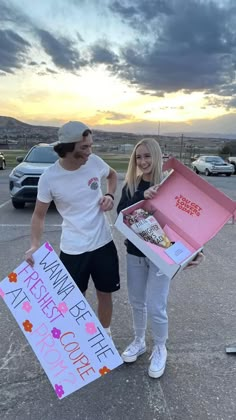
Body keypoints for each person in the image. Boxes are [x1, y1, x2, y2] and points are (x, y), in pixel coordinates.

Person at [117, 138, 204, 378]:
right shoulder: (131, 185)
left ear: (157, 157)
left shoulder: (170, 186)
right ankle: (139, 341)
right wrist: (142, 196)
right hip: (135, 254)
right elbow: (121, 214)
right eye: (138, 157)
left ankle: (159, 347)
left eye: (147, 156)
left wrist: (198, 250)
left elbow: (188, 223)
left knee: (156, 305)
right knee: (136, 301)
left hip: (161, 258)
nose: (143, 161)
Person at [25, 120, 120, 337]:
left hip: (103, 243)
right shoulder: (49, 177)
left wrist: (109, 195)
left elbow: (112, 175)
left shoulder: (94, 162)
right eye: (84, 147)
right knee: (73, 301)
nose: (90, 152)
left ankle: (105, 336)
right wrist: (33, 245)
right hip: (73, 248)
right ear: (67, 148)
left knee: (105, 294)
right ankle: (79, 341)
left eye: (91, 146)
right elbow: (38, 215)